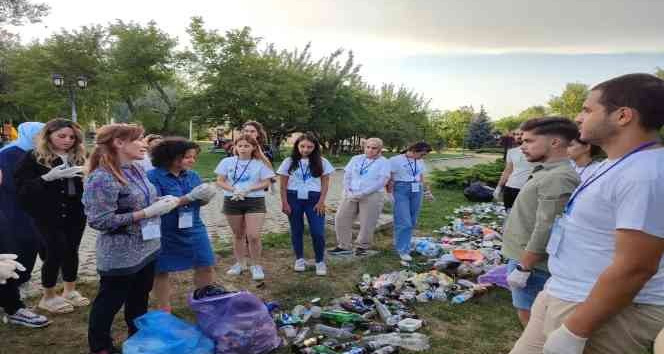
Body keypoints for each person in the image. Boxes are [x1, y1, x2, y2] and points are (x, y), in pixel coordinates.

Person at [510, 73, 664, 354]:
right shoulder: (614, 163)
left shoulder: (646, 175)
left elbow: (636, 267)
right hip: (563, 289)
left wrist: (575, 331)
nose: (579, 118)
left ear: (623, 116)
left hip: (595, 308)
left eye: (588, 109)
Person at [83, 124, 179, 354]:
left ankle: (138, 338)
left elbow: (145, 198)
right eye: (139, 139)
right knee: (109, 303)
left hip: (147, 247)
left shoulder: (135, 168)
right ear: (119, 143)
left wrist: (162, 202)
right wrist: (146, 213)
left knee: (139, 298)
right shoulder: (101, 178)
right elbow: (100, 221)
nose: (145, 144)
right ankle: (100, 347)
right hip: (120, 255)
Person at [501, 117, 580, 327]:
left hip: (531, 264)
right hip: (525, 258)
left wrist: (525, 267)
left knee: (533, 322)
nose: (522, 145)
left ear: (554, 142)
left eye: (529, 141)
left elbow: (547, 225)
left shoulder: (558, 177)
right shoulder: (546, 171)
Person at [14, 119, 89, 315]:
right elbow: (22, 189)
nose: (67, 140)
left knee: (72, 250)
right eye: (62, 136)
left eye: (72, 137)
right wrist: (47, 178)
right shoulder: (33, 157)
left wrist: (87, 178)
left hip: (75, 212)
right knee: (55, 251)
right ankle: (48, 296)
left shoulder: (79, 156)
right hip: (47, 214)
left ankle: (69, 290)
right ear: (49, 136)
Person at [148, 137, 217, 311]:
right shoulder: (152, 177)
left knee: (205, 263)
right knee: (161, 270)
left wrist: (206, 197)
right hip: (164, 230)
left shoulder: (193, 175)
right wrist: (189, 197)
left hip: (193, 226)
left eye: (194, 157)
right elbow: (157, 206)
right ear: (171, 156)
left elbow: (198, 201)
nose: (192, 161)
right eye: (188, 157)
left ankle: (204, 303)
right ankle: (164, 308)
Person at [0, 121, 49, 328]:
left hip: (35, 210)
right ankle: (13, 303)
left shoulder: (42, 152)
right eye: (38, 134)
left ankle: (14, 302)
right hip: (13, 210)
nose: (41, 137)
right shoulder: (8, 153)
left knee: (28, 250)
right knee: (13, 251)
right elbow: (12, 185)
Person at [215, 134, 274, 280]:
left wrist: (249, 189)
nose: (243, 149)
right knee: (238, 234)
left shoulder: (260, 163)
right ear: (235, 147)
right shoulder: (227, 161)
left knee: (253, 235)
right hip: (232, 200)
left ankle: (256, 265)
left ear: (253, 147)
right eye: (240, 145)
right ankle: (240, 263)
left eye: (247, 146)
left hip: (254, 201)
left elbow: (267, 182)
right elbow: (220, 181)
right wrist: (233, 190)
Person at [277, 133, 335, 276]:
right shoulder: (289, 161)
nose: (305, 149)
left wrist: (321, 202)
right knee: (296, 230)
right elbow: (283, 184)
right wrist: (284, 202)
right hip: (293, 198)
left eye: (309, 147)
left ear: (315, 147)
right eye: (302, 146)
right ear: (297, 146)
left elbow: (325, 183)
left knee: (318, 232)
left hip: (314, 200)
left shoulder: (322, 162)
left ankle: (320, 261)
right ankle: (299, 259)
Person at [329, 138, 390, 256]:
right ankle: (344, 246)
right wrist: (348, 190)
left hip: (371, 195)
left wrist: (364, 193)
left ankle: (362, 247)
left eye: (374, 148)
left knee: (367, 222)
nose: (370, 150)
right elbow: (347, 175)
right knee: (341, 218)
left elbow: (382, 181)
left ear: (379, 149)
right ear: (364, 147)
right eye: (368, 147)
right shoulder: (356, 159)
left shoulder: (384, 162)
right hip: (351, 193)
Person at [387, 141, 433, 262]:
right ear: (414, 150)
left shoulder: (420, 161)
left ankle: (404, 243)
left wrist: (427, 192)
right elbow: (390, 178)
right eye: (422, 154)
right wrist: (389, 193)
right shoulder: (395, 160)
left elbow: (422, 177)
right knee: (404, 221)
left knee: (412, 221)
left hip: (417, 189)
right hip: (401, 189)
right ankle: (402, 250)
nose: (423, 157)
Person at [496, 130, 534, 210]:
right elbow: (507, 171)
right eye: (517, 134)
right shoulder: (511, 152)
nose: (519, 136)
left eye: (522, 134)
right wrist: (499, 187)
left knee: (522, 214)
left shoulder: (536, 151)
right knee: (508, 211)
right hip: (510, 186)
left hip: (525, 188)